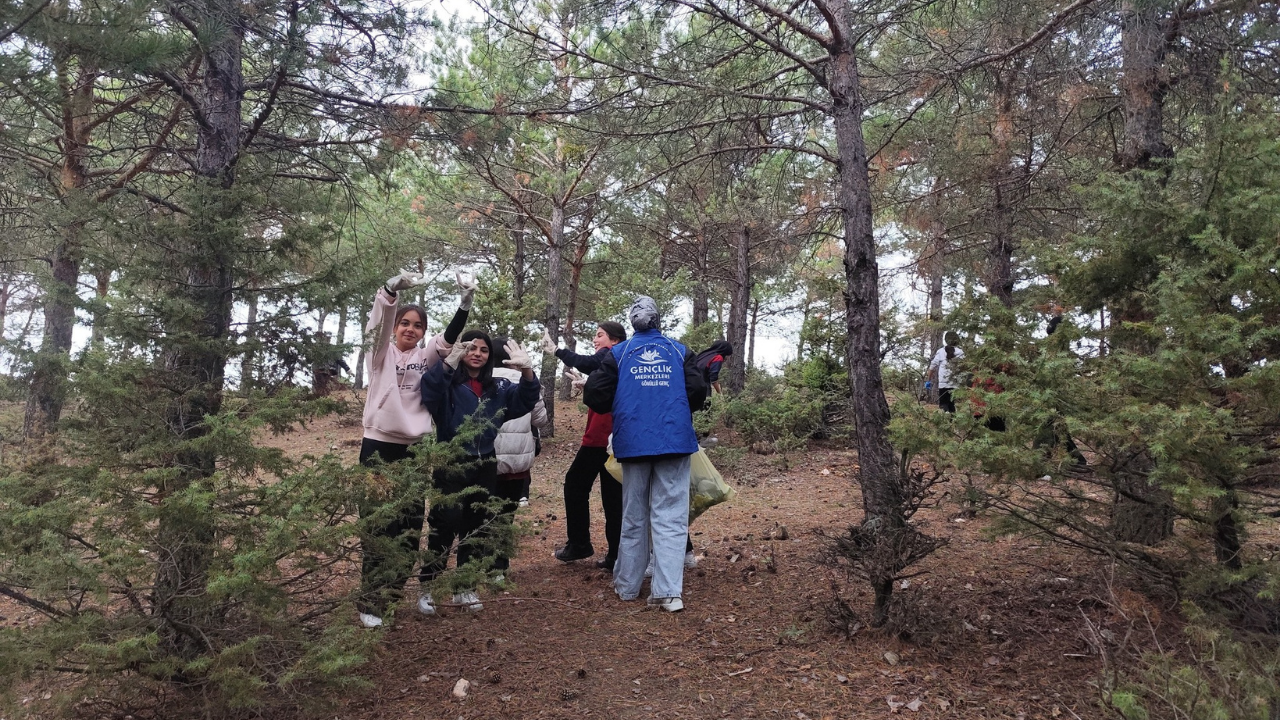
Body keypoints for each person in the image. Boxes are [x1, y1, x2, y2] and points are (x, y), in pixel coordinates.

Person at [356, 269, 475, 628]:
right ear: (396, 328)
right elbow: (375, 330)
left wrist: (464, 305)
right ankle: (370, 602)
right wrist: (389, 291)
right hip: (378, 447)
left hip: (412, 451)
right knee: (378, 527)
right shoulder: (381, 355)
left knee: (408, 527)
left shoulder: (426, 358)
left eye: (417, 325)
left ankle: (390, 597)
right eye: (404, 323)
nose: (410, 329)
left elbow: (448, 340)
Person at [583, 296, 707, 612]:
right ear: (658, 320)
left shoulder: (619, 354)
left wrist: (630, 401)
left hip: (634, 443)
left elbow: (595, 395)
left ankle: (627, 586)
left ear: (631, 322)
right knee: (670, 516)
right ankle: (668, 593)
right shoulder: (679, 351)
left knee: (634, 514)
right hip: (674, 441)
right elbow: (697, 393)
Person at [419, 331, 540, 613]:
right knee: (445, 523)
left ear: (489, 356)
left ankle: (466, 587)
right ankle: (427, 586)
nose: (477, 353)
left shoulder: (497, 387)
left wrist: (527, 371)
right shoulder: (449, 383)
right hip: (451, 462)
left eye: (483, 350)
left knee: (476, 526)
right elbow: (429, 390)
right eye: (471, 348)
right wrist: (448, 362)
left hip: (485, 462)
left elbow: (524, 401)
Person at [541, 321, 628, 569]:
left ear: (615, 340)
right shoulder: (620, 360)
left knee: (576, 485)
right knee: (613, 497)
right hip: (616, 438)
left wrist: (557, 351)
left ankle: (580, 544)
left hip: (601, 438)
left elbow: (590, 361)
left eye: (599, 335)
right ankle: (615, 555)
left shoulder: (613, 353)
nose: (595, 340)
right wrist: (588, 384)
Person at [490, 337, 551, 581]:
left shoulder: (478, 381)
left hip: (486, 460)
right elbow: (541, 420)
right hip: (516, 463)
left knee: (478, 514)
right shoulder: (527, 383)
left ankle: (473, 564)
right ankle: (499, 569)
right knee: (505, 516)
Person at [926, 331, 964, 413]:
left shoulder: (941, 351)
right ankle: (952, 422)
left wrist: (928, 380)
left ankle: (945, 421)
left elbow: (932, 367)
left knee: (943, 405)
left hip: (943, 384)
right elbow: (965, 367)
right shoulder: (961, 352)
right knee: (951, 404)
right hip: (955, 384)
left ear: (946, 340)